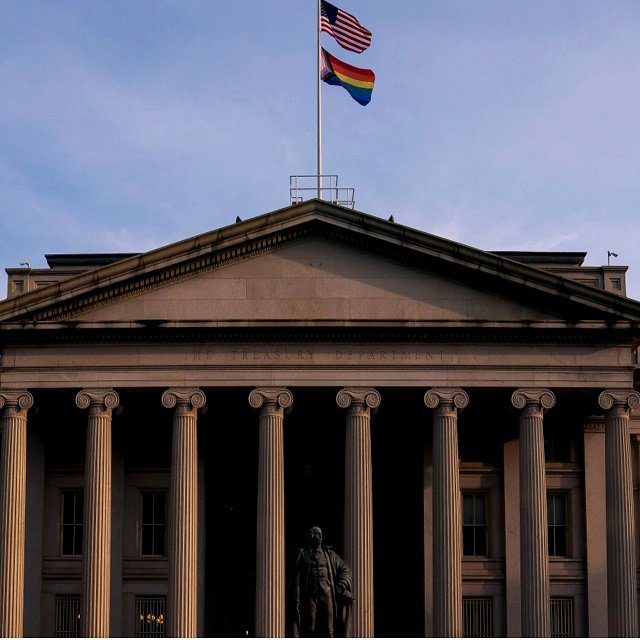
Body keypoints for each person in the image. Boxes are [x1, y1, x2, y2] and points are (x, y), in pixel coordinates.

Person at [291, 526, 354, 638]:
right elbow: (297, 578)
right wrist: (296, 595)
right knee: (311, 625)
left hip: (327, 592)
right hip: (311, 593)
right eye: (315, 534)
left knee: (329, 626)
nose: (318, 537)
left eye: (319, 534)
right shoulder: (304, 555)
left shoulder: (330, 555)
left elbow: (346, 569)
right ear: (311, 537)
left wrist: (341, 585)